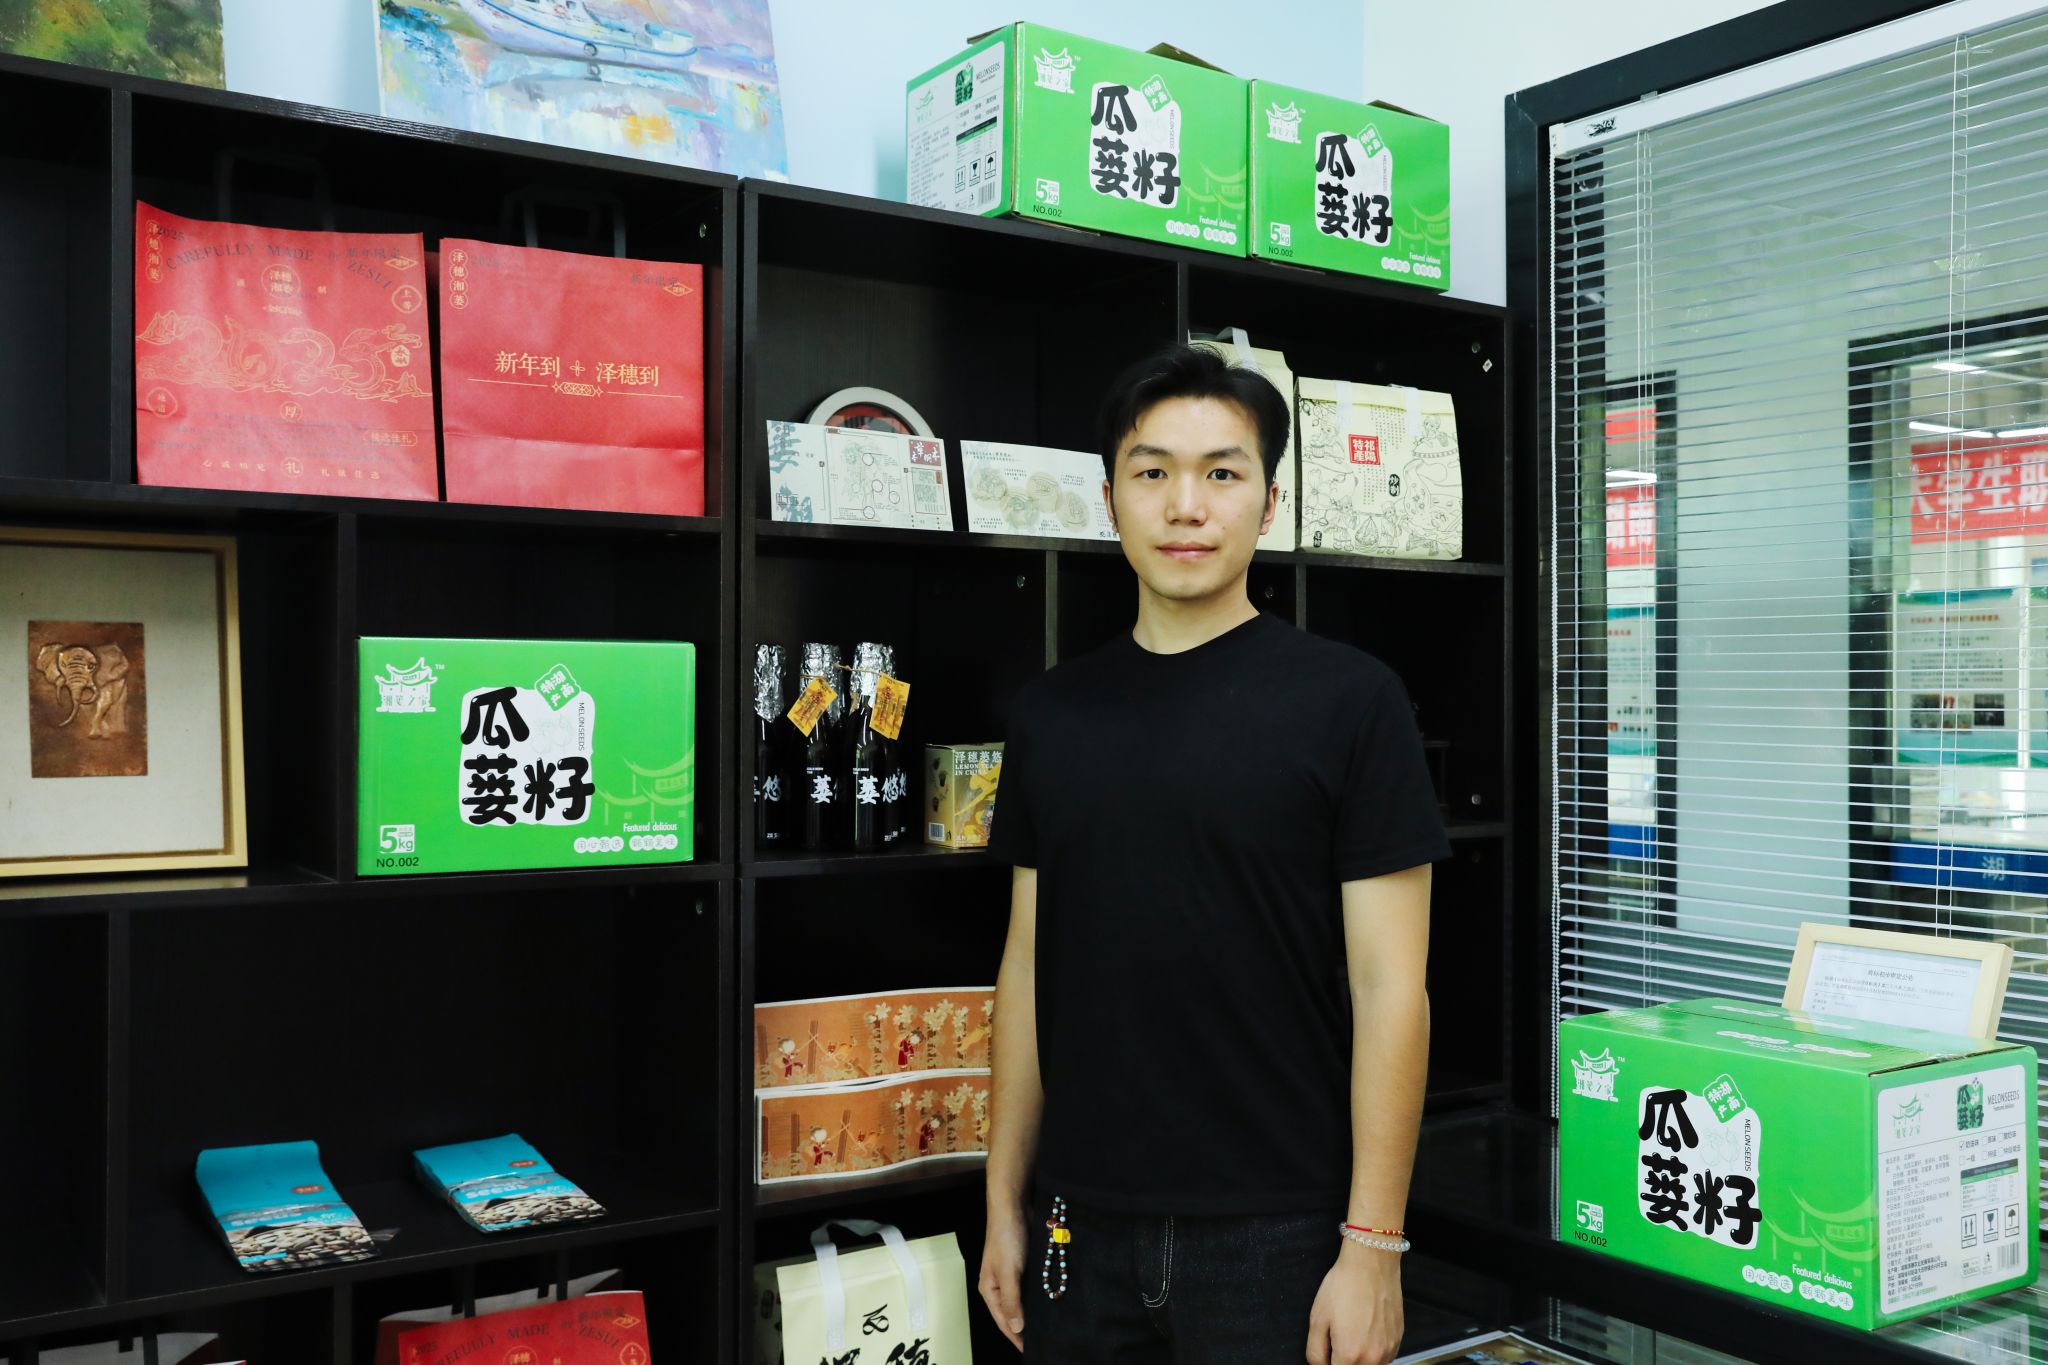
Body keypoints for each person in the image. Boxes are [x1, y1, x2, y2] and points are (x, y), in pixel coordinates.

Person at [978, 343, 1448, 1365]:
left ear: (1268, 504)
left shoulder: (1351, 701)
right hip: (1077, 1224)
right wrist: (1002, 1200)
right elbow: (1024, 967)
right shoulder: (1052, 714)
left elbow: (1390, 989)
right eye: (1152, 472)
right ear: (1110, 497)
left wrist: (1373, 1246)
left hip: (1278, 1233)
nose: (1184, 506)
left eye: (1221, 473)